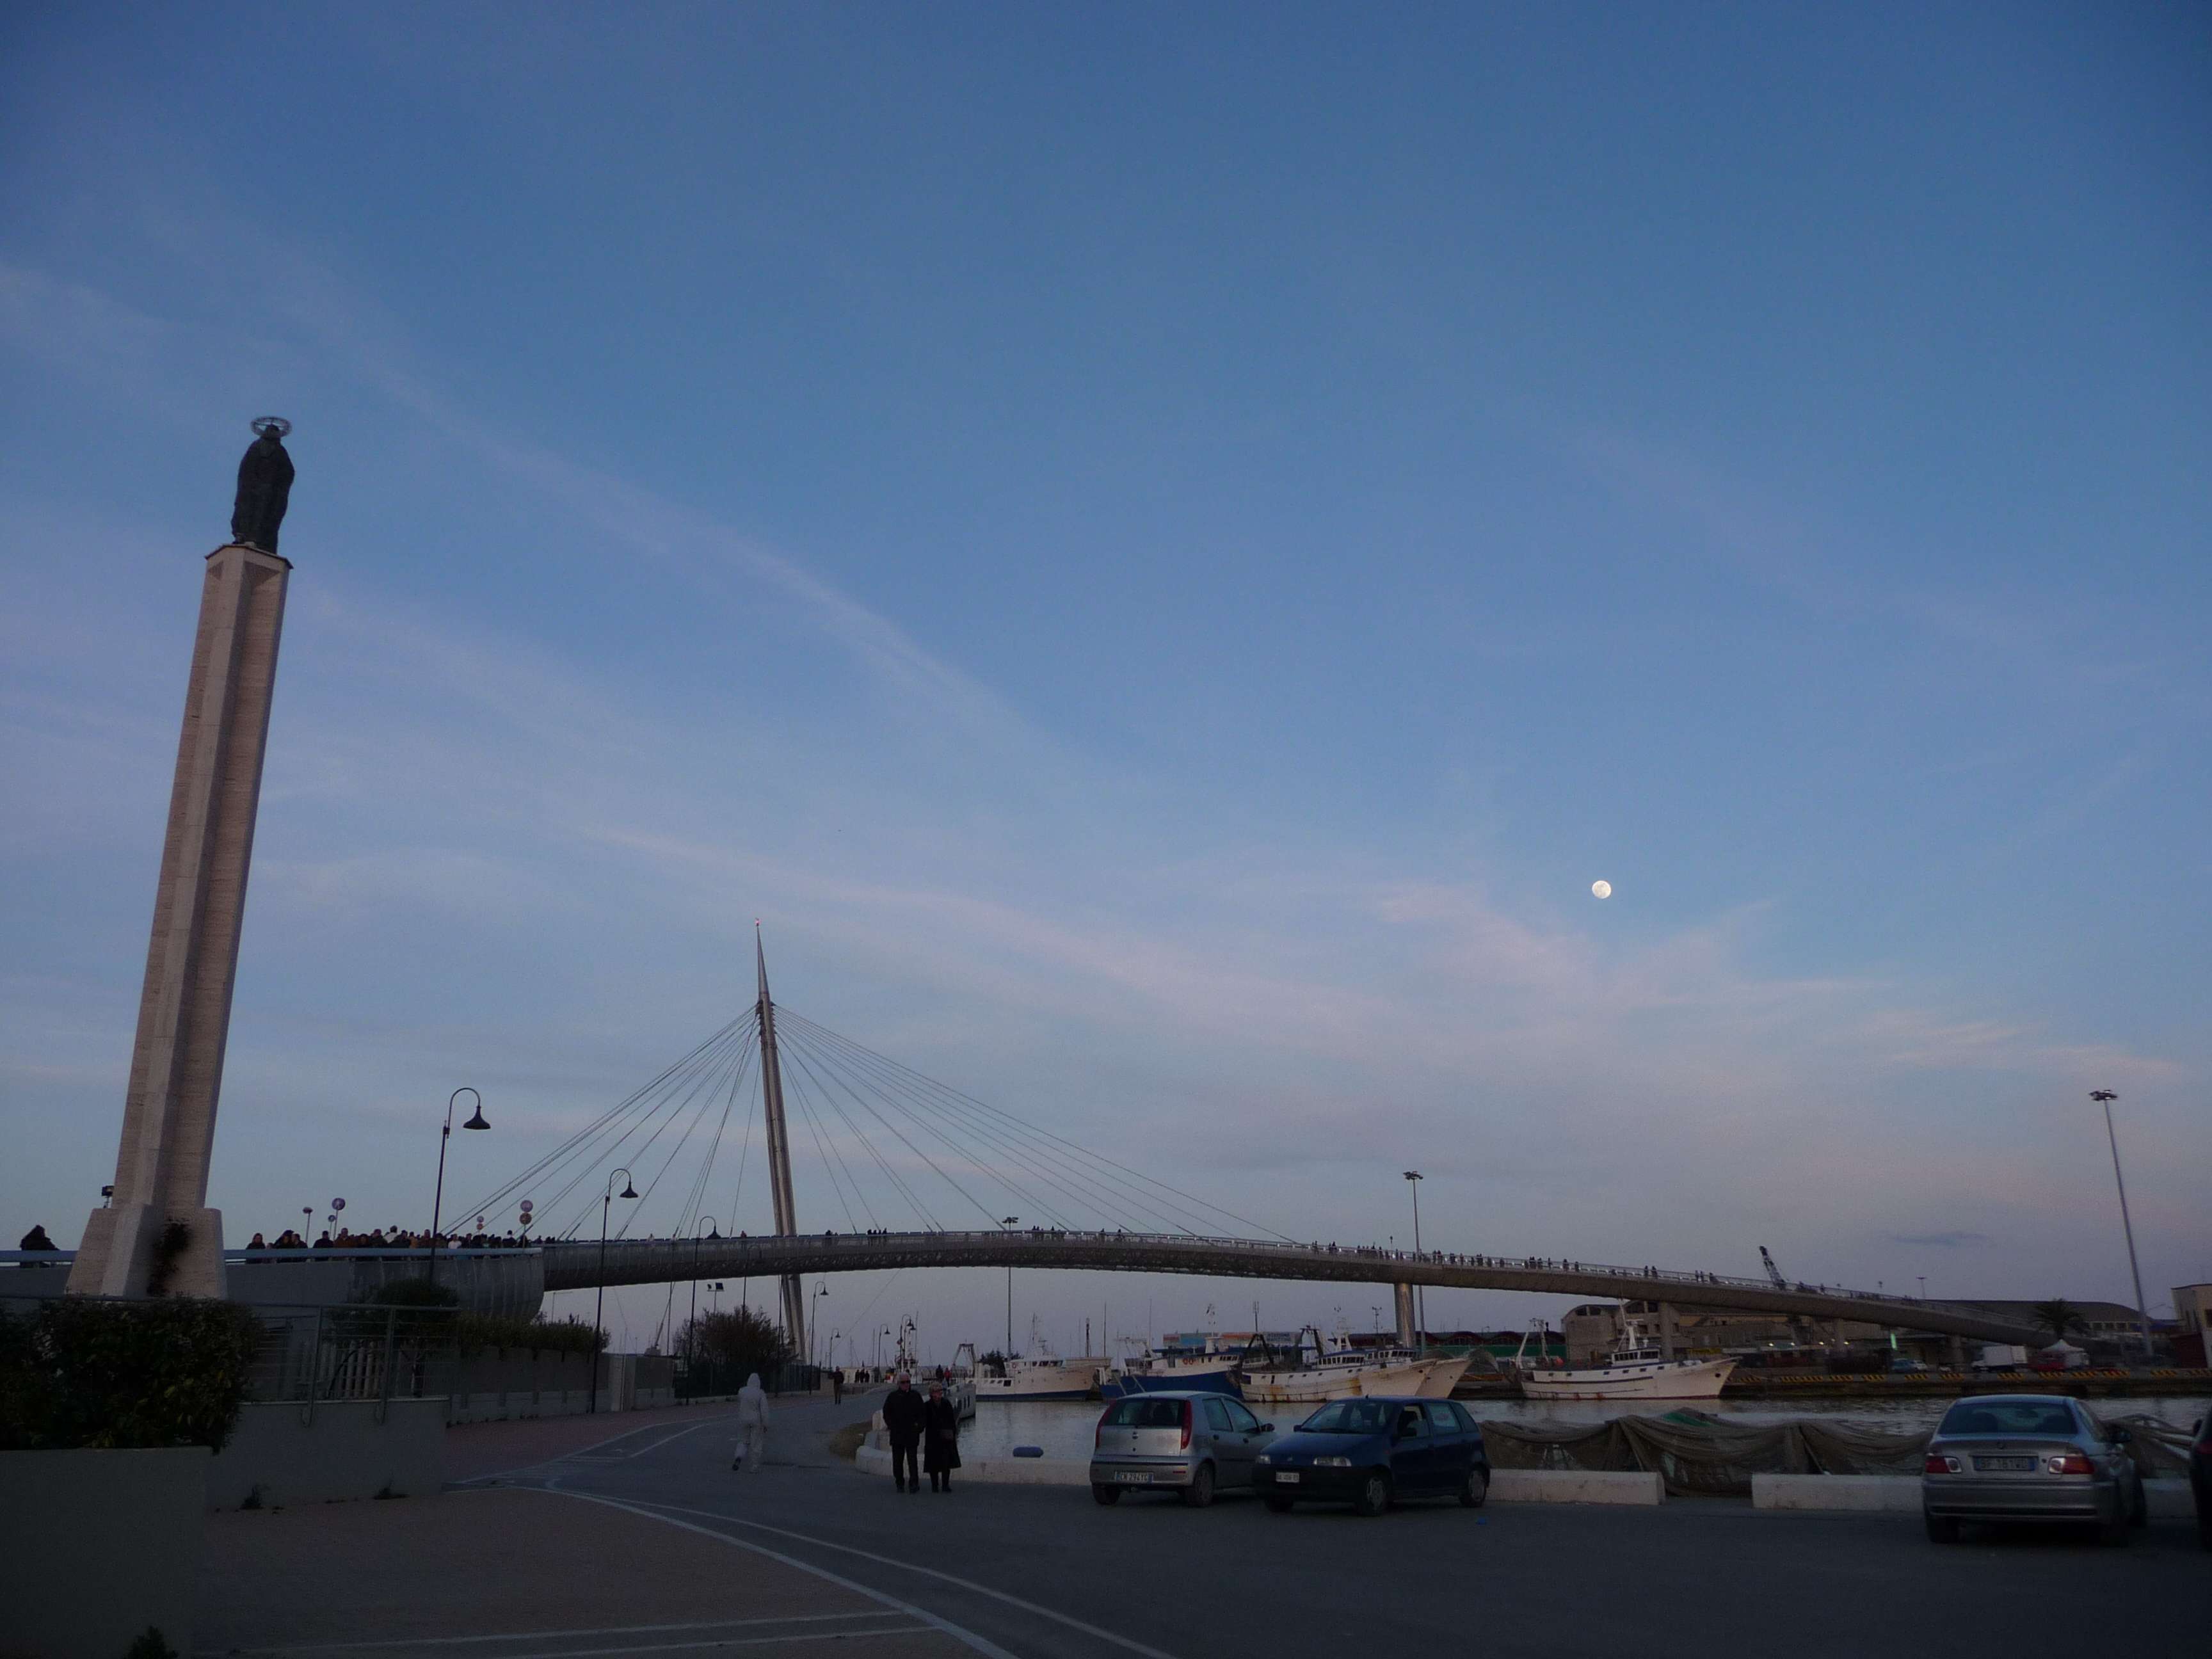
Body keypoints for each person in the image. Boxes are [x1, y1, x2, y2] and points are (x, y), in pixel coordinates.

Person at [881, 1371, 925, 1493]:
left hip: (912, 1434)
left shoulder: (916, 1396)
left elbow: (922, 1414)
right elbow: (887, 1413)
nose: (906, 1385)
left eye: (908, 1382)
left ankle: (914, 1484)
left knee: (913, 1461)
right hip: (898, 1435)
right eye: (903, 1382)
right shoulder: (893, 1397)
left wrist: (919, 1427)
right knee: (897, 1461)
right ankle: (899, 1483)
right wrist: (892, 1426)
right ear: (899, 1383)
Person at [922, 1381, 962, 1493]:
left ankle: (945, 1485)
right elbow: (924, 1421)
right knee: (933, 1464)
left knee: (946, 1463)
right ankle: (935, 1485)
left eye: (940, 1392)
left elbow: (951, 1420)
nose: (939, 1394)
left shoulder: (946, 1404)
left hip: (945, 1437)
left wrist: (952, 1433)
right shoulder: (927, 1406)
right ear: (932, 1393)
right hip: (933, 1438)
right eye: (937, 1392)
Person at [732, 1372, 769, 1474]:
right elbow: (764, 1410)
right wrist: (765, 1424)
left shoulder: (742, 1391)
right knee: (756, 1443)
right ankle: (754, 1466)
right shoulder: (760, 1393)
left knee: (743, 1441)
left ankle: (739, 1457)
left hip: (743, 1419)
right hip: (756, 1421)